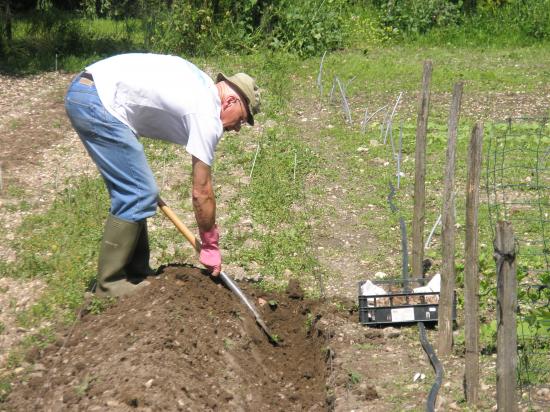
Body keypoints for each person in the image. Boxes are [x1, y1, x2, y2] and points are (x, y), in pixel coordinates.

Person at [64, 53, 260, 297]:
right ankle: (110, 284)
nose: (237, 128)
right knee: (139, 192)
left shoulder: (202, 86)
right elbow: (201, 192)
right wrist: (210, 243)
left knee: (140, 190)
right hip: (97, 100)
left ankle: (136, 272)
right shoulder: (207, 113)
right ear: (230, 101)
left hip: (92, 89)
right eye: (241, 119)